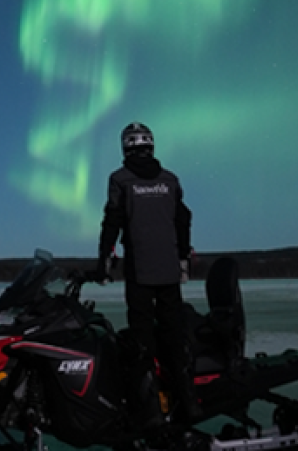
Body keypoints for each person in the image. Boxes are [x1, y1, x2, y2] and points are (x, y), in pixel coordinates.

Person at [97, 122, 199, 427]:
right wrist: (182, 257)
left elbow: (112, 220)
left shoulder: (121, 180)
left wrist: (104, 258)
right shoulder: (170, 181)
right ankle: (188, 401)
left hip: (139, 271)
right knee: (173, 335)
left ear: (126, 148)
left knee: (142, 340)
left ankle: (150, 408)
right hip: (169, 270)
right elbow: (183, 219)